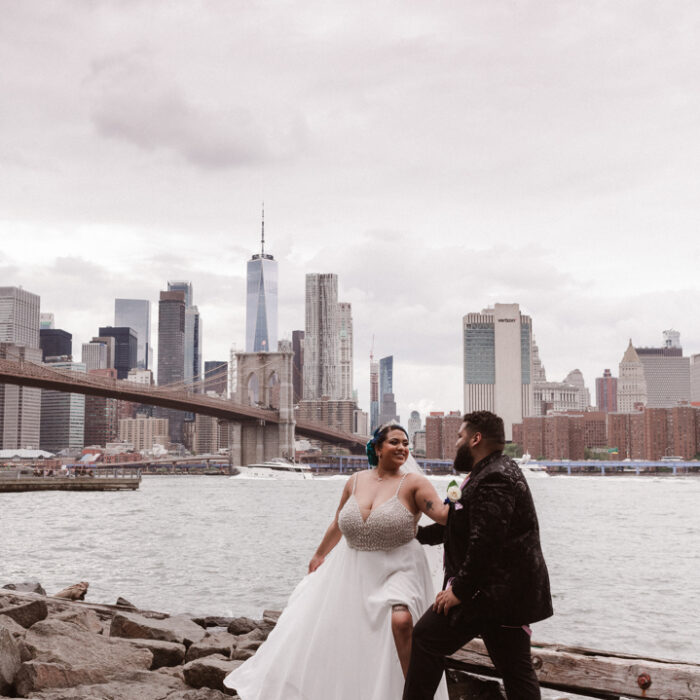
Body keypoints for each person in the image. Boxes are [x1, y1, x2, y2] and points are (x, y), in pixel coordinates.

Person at [224, 423, 450, 700]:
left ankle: (417, 694)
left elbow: (442, 514)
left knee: (401, 621)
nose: (402, 448)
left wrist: (464, 497)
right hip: (354, 568)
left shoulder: (415, 483)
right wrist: (319, 555)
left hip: (400, 566)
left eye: (405, 443)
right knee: (337, 632)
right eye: (394, 442)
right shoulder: (355, 480)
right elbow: (338, 523)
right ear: (378, 449)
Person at [403, 411, 553, 700]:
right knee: (516, 670)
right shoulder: (486, 472)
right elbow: (462, 524)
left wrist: (459, 590)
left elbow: (486, 541)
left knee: (425, 639)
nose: (457, 442)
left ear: (475, 438)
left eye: (460, 436)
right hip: (503, 596)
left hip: (492, 596)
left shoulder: (495, 476)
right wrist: (416, 536)